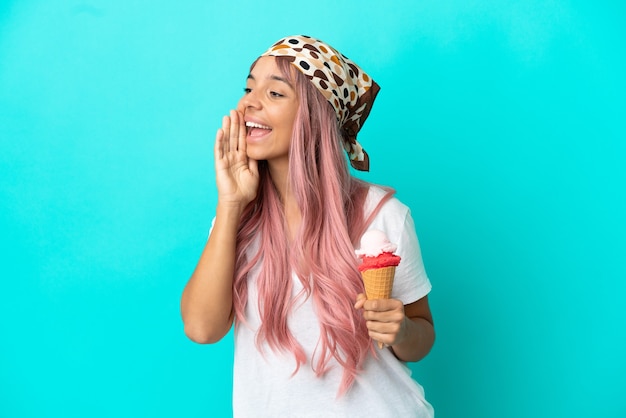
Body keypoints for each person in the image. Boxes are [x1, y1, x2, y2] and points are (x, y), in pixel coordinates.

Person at [181, 35, 435, 417]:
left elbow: (421, 335)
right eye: (249, 88)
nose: (249, 102)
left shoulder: (384, 216)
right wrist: (230, 204)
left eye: (275, 93)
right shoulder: (237, 220)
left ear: (313, 115)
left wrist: (401, 331)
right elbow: (202, 329)